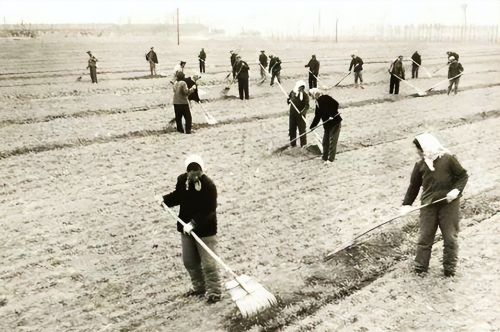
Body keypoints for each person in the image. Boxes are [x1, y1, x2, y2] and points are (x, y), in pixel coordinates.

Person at [400, 133, 468, 277]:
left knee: (450, 238)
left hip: (449, 204)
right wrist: (406, 204)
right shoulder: (420, 165)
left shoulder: (449, 159)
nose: (418, 152)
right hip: (428, 205)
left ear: (427, 147)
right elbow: (413, 187)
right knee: (425, 237)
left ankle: (449, 270)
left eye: (420, 149)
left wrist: (456, 190)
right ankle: (420, 268)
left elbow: (462, 176)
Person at [160, 154, 221, 303]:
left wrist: (193, 223)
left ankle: (214, 292)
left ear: (202, 170)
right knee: (189, 261)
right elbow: (178, 196)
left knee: (208, 263)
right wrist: (164, 200)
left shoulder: (209, 186)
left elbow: (209, 210)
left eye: (197, 170)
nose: (194, 173)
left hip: (205, 230)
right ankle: (199, 288)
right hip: (186, 230)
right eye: (190, 170)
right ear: (186, 171)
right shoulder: (182, 180)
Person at [309, 88, 342, 163]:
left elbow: (336, 104)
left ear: (316, 94)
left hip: (335, 122)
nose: (312, 97)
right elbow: (317, 116)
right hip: (327, 125)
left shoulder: (326, 97)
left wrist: (332, 114)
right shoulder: (317, 103)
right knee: (325, 142)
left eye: (312, 95)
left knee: (332, 141)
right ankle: (325, 157)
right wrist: (312, 126)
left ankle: (331, 159)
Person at [287, 80, 309, 147]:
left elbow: (307, 106)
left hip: (300, 115)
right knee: (292, 129)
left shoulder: (305, 95)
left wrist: (303, 112)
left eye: (302, 88)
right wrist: (289, 100)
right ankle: (293, 144)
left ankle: (303, 145)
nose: (301, 89)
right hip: (292, 114)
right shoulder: (292, 92)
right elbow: (288, 100)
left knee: (302, 130)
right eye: (300, 87)